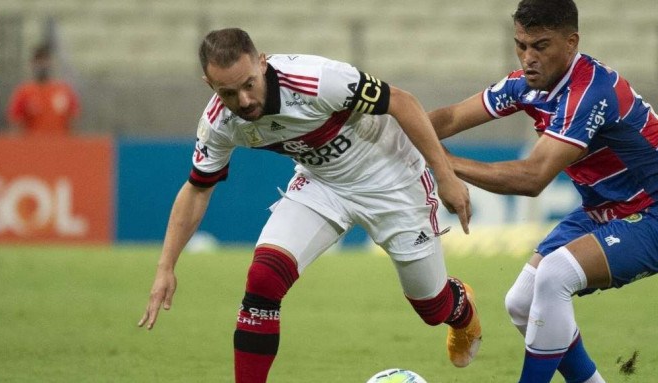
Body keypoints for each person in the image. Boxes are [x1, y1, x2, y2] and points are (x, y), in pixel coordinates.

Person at [137, 28, 482, 382]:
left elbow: (402, 101)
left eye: (249, 84)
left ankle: (460, 308)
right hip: (323, 183)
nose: (243, 101)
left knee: (431, 307)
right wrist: (166, 266)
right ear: (209, 84)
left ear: (262, 62)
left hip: (391, 175)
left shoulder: (316, 80)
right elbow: (197, 189)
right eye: (228, 92)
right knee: (263, 279)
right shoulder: (219, 123)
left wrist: (445, 175)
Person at [428, 0, 658, 382]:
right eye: (521, 45)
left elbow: (533, 177)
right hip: (603, 210)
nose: (528, 58)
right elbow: (452, 117)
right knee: (521, 302)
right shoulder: (525, 85)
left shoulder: (592, 91)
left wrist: (442, 162)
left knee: (554, 275)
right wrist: (391, 133)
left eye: (540, 46)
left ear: (571, 42)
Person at [6, 43, 80, 136]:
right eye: (38, 60)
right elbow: (15, 122)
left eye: (45, 60)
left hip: (60, 147)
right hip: (33, 147)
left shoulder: (65, 90)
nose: (42, 64)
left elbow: (74, 121)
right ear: (32, 63)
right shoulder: (24, 92)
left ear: (51, 63)